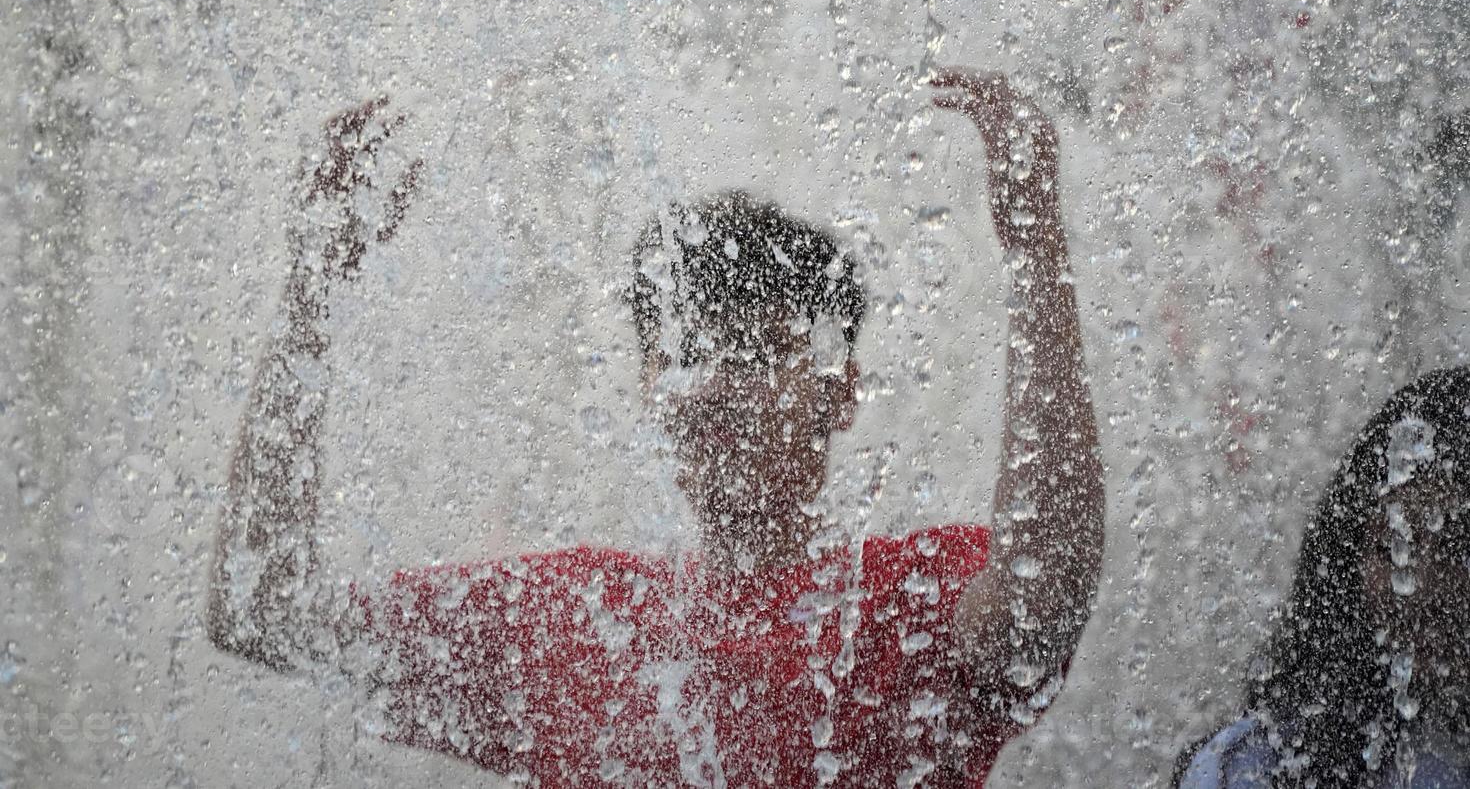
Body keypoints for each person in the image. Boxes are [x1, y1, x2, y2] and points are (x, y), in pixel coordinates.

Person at [206, 71, 1105, 787]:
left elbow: (1045, 589)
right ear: (647, 392)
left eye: (756, 354)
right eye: (687, 355)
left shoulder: (911, 606)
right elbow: (262, 614)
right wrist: (311, 291)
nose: (714, 386)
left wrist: (1036, 254)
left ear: (840, 392)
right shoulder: (566, 619)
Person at [1174, 367, 1470, 788]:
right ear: (1346, 564)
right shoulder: (1253, 768)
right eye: (1391, 548)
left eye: (1459, 546)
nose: (1422, 583)